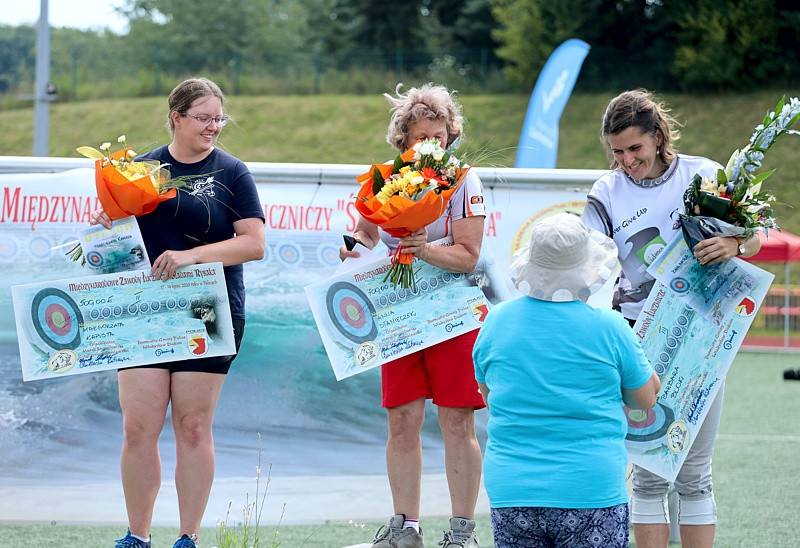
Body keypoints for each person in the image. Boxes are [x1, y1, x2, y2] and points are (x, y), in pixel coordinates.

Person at [581, 89, 761, 548]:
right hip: (635, 338)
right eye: (617, 152)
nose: (626, 160)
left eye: (635, 149)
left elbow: (755, 236)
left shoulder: (705, 174)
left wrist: (734, 245)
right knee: (648, 478)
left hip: (704, 332)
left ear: (659, 137)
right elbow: (589, 263)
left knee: (695, 475)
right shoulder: (605, 192)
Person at [91, 77, 266, 548]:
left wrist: (193, 255)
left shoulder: (233, 172)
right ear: (176, 117)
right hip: (144, 308)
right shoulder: (140, 168)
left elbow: (254, 244)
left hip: (209, 308)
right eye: (204, 118)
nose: (213, 127)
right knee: (137, 427)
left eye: (218, 119)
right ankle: (137, 535)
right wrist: (106, 225)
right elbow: (119, 243)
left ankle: (187, 537)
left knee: (192, 427)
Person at [339, 83, 485, 548]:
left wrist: (425, 250)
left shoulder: (463, 180)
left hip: (452, 316)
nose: (432, 146)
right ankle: (405, 527)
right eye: (423, 138)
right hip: (398, 315)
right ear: (403, 140)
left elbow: (469, 256)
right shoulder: (384, 178)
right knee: (401, 420)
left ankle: (461, 532)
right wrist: (353, 246)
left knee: (456, 422)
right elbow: (365, 232)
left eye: (440, 137)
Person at [472, 212, 661, 548]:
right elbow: (644, 400)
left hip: (512, 486)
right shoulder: (611, 327)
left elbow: (489, 394)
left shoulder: (497, 321)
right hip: (590, 486)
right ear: (587, 270)